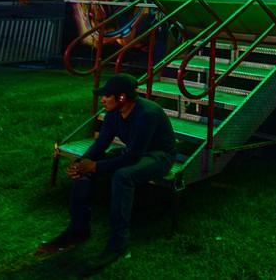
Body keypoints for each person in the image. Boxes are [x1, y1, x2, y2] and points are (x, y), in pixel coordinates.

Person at [37, 73, 176, 276]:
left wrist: (94, 167)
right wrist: (80, 163)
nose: (102, 99)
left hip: (159, 156)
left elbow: (134, 157)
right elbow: (101, 144)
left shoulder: (147, 113)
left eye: (107, 96)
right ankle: (78, 229)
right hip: (134, 153)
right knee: (85, 172)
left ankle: (117, 243)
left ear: (121, 98)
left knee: (123, 175)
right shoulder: (112, 113)